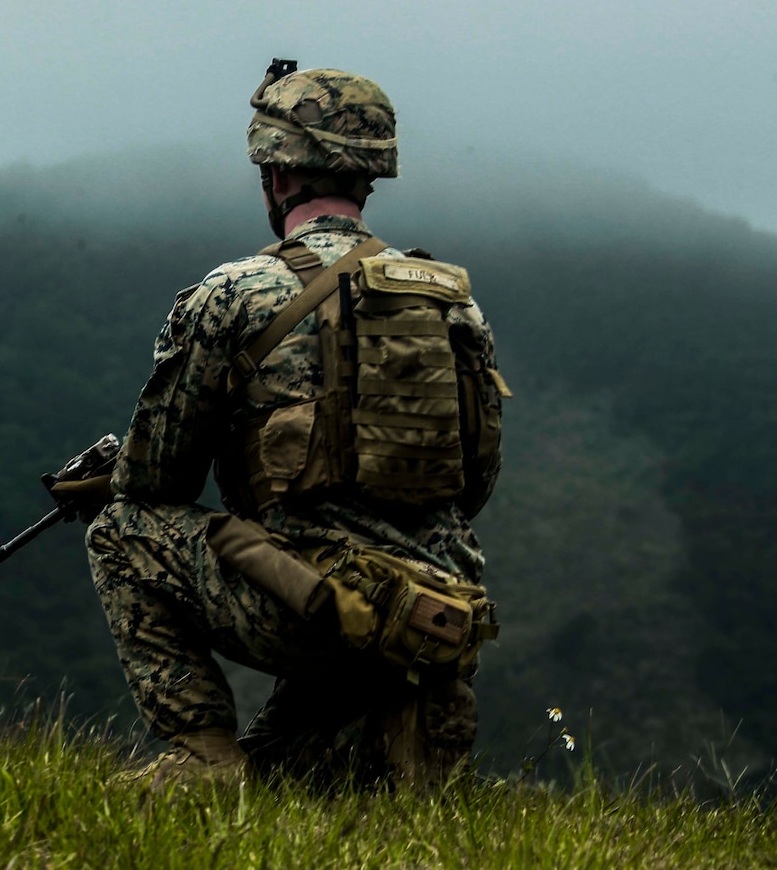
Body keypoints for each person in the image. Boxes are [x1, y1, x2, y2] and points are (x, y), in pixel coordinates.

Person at [86, 63, 508, 790]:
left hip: (313, 611)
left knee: (122, 531)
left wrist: (110, 482)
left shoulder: (235, 293)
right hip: (431, 614)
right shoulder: (454, 305)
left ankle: (203, 759)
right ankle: (387, 731)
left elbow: (159, 481)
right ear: (368, 177)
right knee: (286, 785)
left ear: (277, 175)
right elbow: (474, 485)